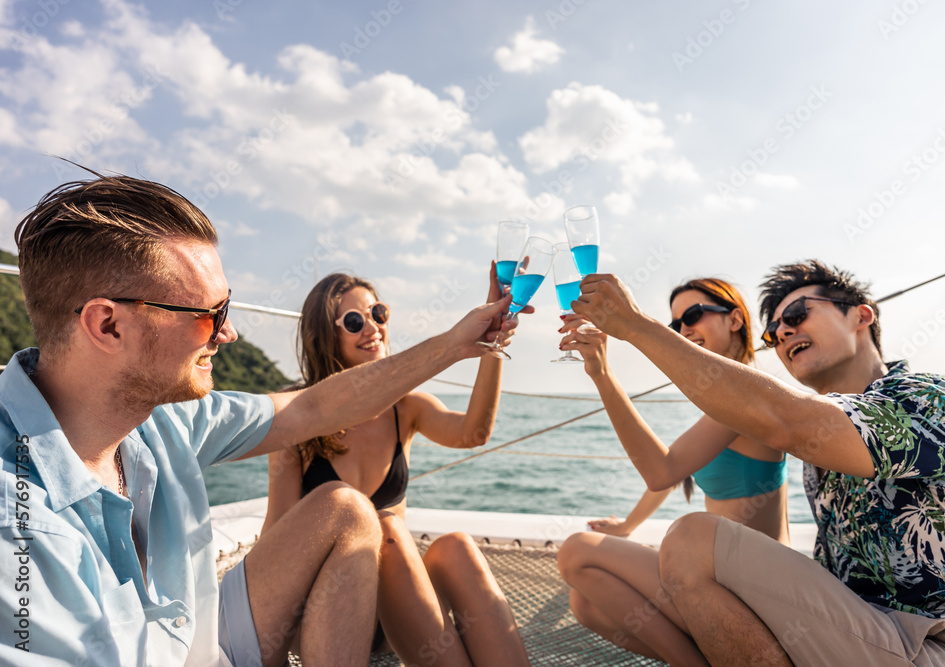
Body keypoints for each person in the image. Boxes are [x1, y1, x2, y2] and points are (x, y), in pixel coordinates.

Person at [0, 174, 519, 667]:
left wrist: (456, 344)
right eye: (208, 315)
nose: (226, 335)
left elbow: (314, 408)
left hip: (201, 635)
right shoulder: (15, 519)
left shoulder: (168, 421)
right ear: (108, 324)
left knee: (344, 509)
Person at [569, 260, 945, 666]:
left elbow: (781, 422)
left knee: (690, 540)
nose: (784, 332)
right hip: (859, 628)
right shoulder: (817, 449)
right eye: (774, 332)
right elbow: (668, 473)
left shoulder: (936, 398)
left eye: (797, 313)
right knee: (589, 597)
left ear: (861, 316)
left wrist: (635, 326)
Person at [262, 271, 530, 667]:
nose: (372, 327)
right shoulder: (298, 415)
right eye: (354, 321)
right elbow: (277, 534)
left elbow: (473, 432)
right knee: (383, 526)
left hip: (393, 613)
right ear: (326, 336)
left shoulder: (405, 408)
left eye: (378, 313)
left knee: (455, 546)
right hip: (328, 613)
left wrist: (491, 345)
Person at [556, 278, 789, 664]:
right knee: (587, 601)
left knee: (577, 552)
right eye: (676, 324)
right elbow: (677, 466)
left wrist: (601, 373)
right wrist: (627, 526)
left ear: (735, 320)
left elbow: (662, 471)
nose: (684, 330)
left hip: (752, 594)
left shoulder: (746, 391)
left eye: (694, 315)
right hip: (721, 580)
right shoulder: (723, 397)